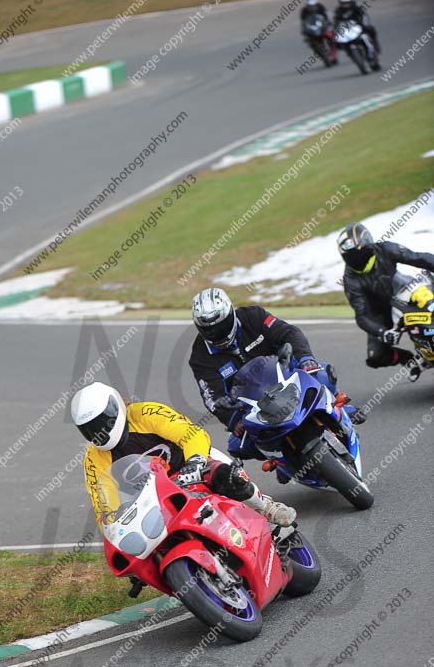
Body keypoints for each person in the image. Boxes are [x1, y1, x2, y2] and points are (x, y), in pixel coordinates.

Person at [71, 382, 297, 535]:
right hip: (152, 502)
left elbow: (191, 433)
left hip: (189, 468)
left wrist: (196, 460)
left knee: (227, 476)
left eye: (102, 422)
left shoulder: (146, 413)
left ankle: (264, 506)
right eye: (89, 429)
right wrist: (114, 524)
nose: (98, 431)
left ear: (116, 408)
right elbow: (103, 505)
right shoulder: (94, 459)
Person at [189, 288, 364, 466]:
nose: (215, 333)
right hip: (252, 405)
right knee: (238, 445)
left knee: (324, 373)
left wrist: (305, 358)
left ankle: (338, 409)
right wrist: (231, 417)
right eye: (208, 330)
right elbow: (211, 396)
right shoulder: (200, 357)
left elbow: (289, 333)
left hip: (287, 376)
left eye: (220, 325)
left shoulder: (253, 316)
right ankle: (283, 462)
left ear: (231, 313)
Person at [338, 222, 434, 380]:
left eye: (357, 254)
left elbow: (418, 258)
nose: (356, 260)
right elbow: (361, 316)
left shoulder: (385, 249)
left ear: (367, 245)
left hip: (404, 291)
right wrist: (382, 333)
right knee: (375, 356)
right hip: (380, 313)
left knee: (427, 302)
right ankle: (409, 359)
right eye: (351, 257)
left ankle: (428, 349)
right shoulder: (350, 280)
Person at [300, 0, 337, 64]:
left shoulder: (321, 7)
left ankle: (333, 54)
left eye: (313, 6)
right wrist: (304, 33)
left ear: (316, 4)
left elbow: (327, 17)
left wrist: (329, 24)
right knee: (310, 42)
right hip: (312, 30)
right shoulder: (304, 11)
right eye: (310, 6)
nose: (312, 8)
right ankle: (321, 55)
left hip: (323, 28)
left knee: (332, 38)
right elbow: (303, 22)